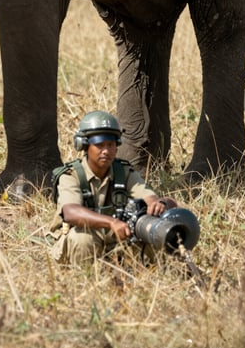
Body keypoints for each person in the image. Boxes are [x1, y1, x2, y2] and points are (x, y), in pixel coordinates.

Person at [49, 110, 174, 266]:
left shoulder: (124, 172)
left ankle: (137, 275)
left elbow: (147, 195)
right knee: (82, 238)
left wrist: (156, 204)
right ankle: (84, 279)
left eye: (111, 144)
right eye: (99, 145)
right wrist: (111, 222)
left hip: (116, 240)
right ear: (84, 146)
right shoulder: (70, 175)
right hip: (79, 241)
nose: (106, 151)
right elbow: (70, 212)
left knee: (146, 233)